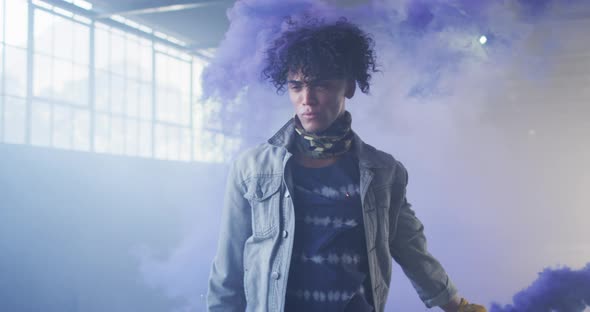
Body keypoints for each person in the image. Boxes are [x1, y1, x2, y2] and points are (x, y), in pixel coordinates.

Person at [207, 18, 487, 312]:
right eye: (296, 86)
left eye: (321, 84)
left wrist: (460, 307)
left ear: (349, 87)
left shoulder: (384, 172)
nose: (307, 99)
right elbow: (228, 268)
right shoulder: (252, 168)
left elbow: (412, 250)